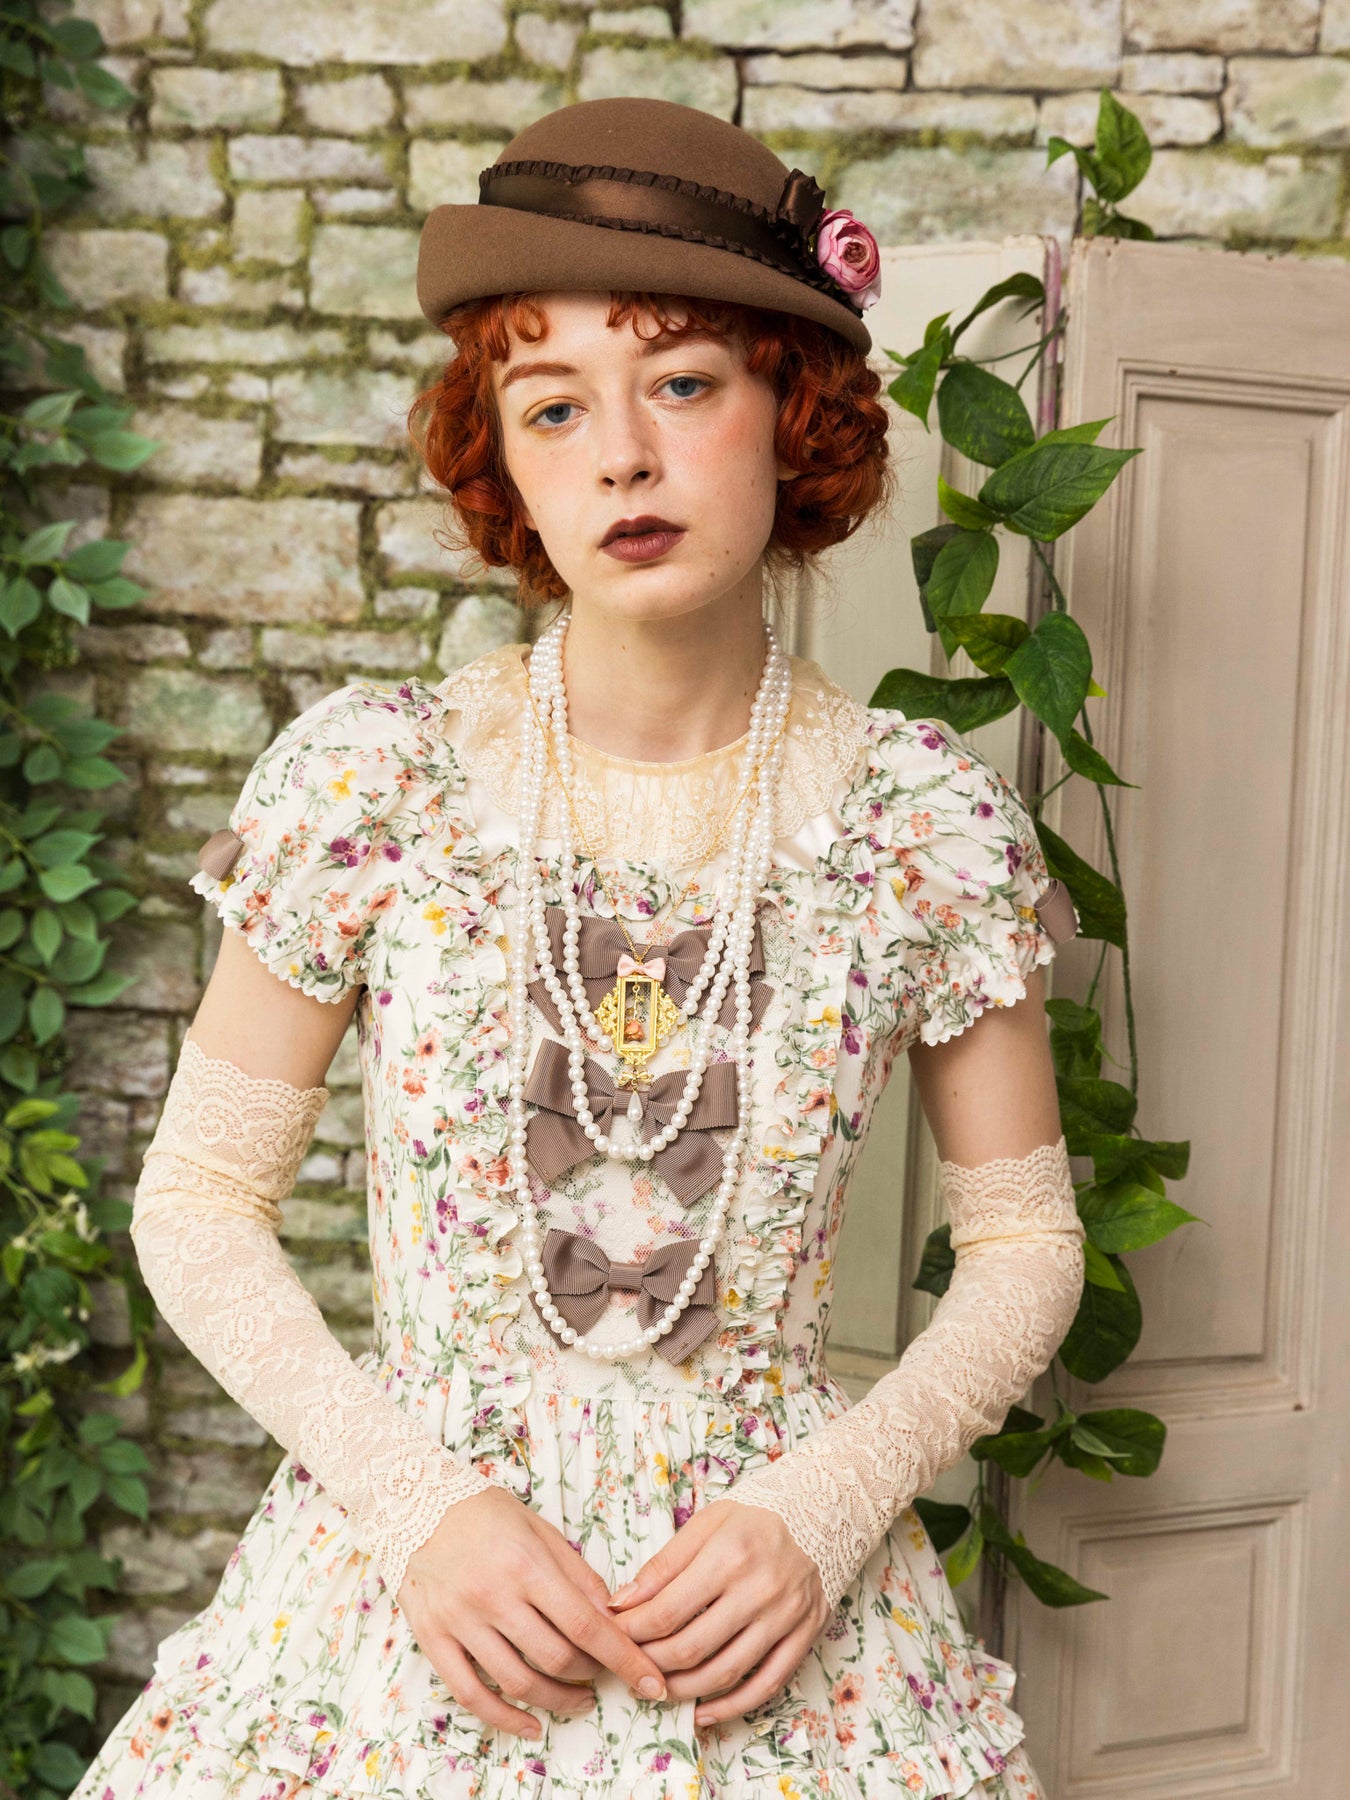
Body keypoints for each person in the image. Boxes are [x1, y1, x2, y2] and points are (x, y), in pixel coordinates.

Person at [73, 98, 1085, 1800]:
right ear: (505, 465)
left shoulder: (920, 825)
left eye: (680, 383)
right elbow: (194, 1203)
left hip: (775, 1614)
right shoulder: (373, 783)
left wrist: (829, 1503)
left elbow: (1024, 1243)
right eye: (554, 407)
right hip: (413, 1607)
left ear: (792, 411)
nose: (621, 454)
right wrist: (419, 1508)